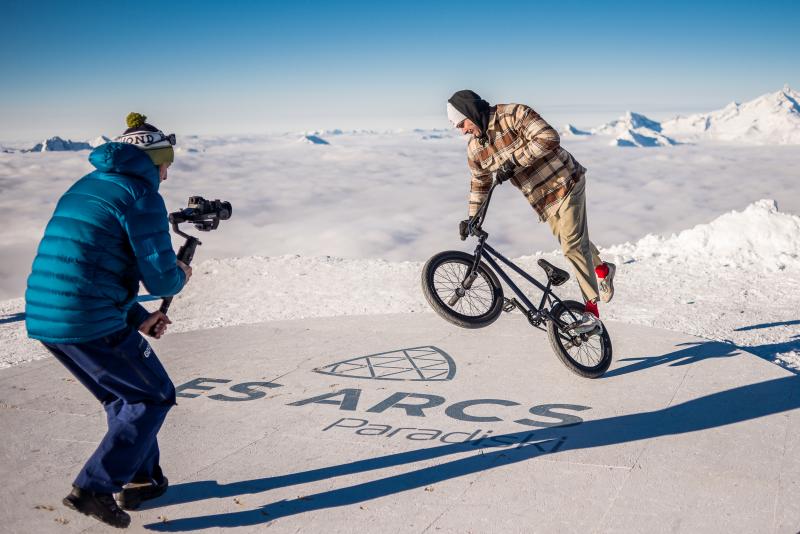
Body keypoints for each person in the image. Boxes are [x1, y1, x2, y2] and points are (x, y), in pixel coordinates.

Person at [24, 112, 191, 528]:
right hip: (85, 319)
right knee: (152, 396)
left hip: (49, 316)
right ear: (152, 161)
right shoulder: (141, 195)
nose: (167, 174)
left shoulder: (88, 185)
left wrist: (137, 317)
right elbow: (159, 274)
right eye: (166, 163)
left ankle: (141, 479)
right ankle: (95, 489)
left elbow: (88, 267)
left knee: (125, 397)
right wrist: (181, 275)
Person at [447, 90, 615, 333]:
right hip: (543, 199)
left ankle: (592, 313)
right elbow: (479, 181)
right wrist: (472, 217)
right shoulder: (475, 149)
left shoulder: (513, 114)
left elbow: (548, 137)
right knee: (575, 241)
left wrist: (514, 161)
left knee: (571, 246)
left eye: (462, 123)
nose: (462, 130)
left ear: (471, 112)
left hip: (566, 181)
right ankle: (603, 270)